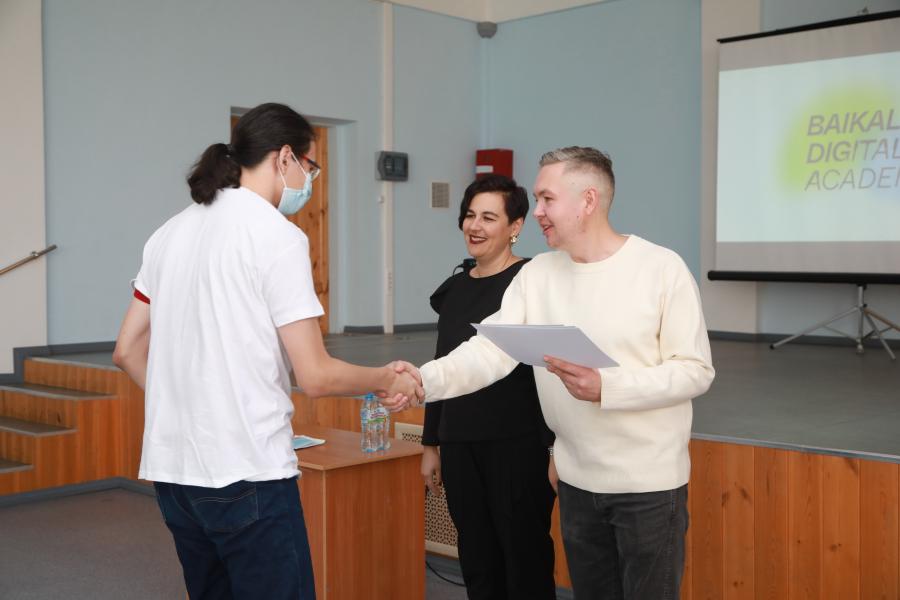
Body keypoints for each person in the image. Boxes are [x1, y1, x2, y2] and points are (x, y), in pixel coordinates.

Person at [112, 102, 421, 600]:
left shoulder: (168, 233)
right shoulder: (276, 236)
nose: (310, 179)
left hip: (173, 472)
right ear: (284, 158)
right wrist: (387, 379)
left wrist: (186, 403)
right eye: (310, 166)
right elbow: (316, 375)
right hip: (247, 470)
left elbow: (127, 350)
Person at [404, 147, 715, 599]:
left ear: (588, 201)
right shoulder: (539, 274)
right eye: (537, 199)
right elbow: (490, 350)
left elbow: (695, 371)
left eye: (547, 199)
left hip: (647, 488)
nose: (538, 212)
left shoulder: (661, 269)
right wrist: (422, 381)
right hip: (575, 483)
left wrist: (607, 386)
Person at [421, 174, 556, 600]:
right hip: (459, 442)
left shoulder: (532, 281)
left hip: (518, 445)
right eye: (470, 215)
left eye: (488, 217)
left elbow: (548, 371)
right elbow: (443, 363)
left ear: (515, 226)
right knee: (477, 560)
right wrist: (430, 443)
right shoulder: (456, 287)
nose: (474, 226)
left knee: (525, 559)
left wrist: (555, 448)